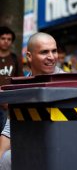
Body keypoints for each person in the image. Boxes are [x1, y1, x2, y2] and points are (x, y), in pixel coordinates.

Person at [0, 32, 63, 169]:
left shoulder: (67, 83)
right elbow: (8, 131)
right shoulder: (22, 88)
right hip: (31, 150)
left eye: (54, 51)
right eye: (44, 52)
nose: (51, 57)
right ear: (29, 56)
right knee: (5, 158)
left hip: (61, 152)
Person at [0, 27, 22, 133]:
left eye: (9, 39)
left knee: (6, 133)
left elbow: (19, 80)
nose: (6, 41)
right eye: (3, 38)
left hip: (8, 104)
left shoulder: (15, 59)